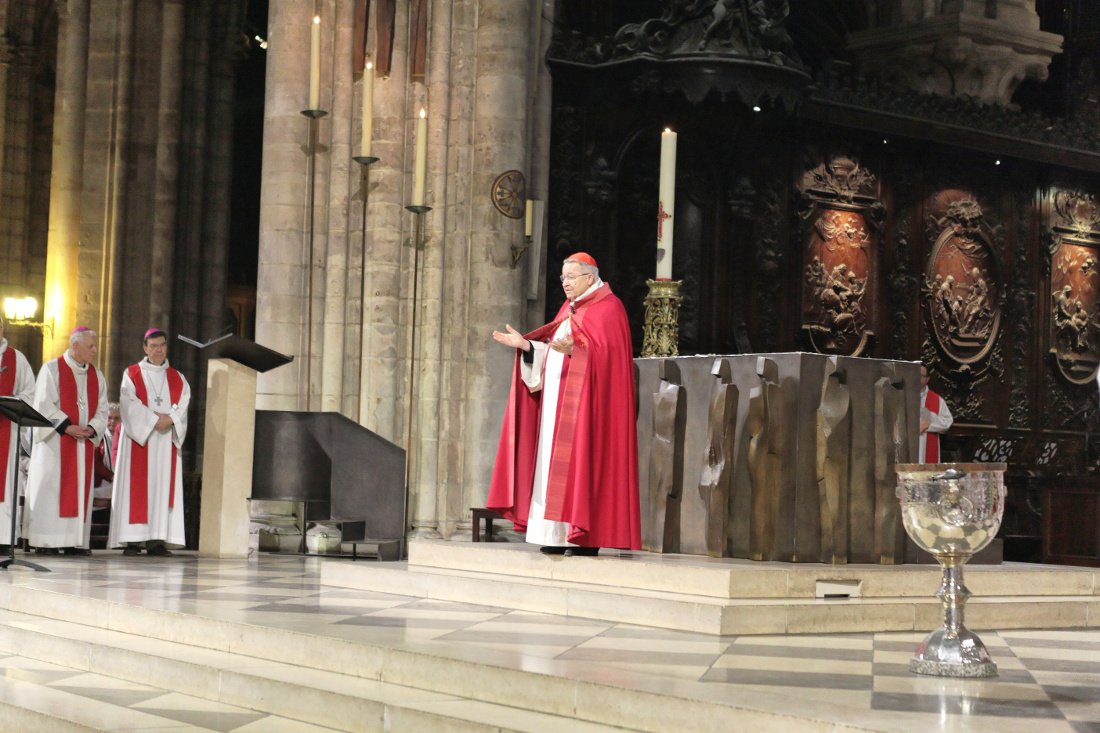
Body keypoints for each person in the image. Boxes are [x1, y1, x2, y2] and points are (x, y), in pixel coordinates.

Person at [487, 252, 641, 556]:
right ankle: (557, 535)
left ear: (588, 277)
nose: (565, 283)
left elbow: (609, 361)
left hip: (587, 412)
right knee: (550, 467)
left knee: (581, 466)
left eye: (570, 277)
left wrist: (580, 351)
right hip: (555, 405)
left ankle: (584, 537)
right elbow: (553, 351)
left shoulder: (609, 309)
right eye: (562, 278)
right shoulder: (569, 309)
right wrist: (528, 346)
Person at [24, 327, 109, 555]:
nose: (95, 350)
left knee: (79, 489)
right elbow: (42, 404)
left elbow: (103, 409)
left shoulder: (96, 375)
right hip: (55, 444)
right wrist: (66, 427)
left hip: (82, 445)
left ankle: (75, 541)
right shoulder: (52, 369)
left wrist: (92, 428)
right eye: (90, 346)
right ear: (75, 346)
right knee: (52, 490)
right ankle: (47, 542)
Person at [108, 328, 190, 556]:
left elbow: (184, 404)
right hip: (139, 441)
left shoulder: (177, 377)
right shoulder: (132, 373)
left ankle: (156, 540)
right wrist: (155, 420)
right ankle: (133, 541)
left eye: (162, 345)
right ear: (145, 348)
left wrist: (171, 419)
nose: (158, 350)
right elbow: (128, 404)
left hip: (165, 444)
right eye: (153, 346)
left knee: (161, 488)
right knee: (139, 489)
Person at [0, 315, 36, 551]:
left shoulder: (16, 358)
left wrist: (9, 402)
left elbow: (29, 393)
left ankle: (2, 538)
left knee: (6, 485)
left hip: (6, 429)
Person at [919, 364, 953, 463]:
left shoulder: (937, 400)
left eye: (921, 376)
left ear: (927, 379)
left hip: (927, 446)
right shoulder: (903, 397)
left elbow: (947, 422)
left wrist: (929, 424)